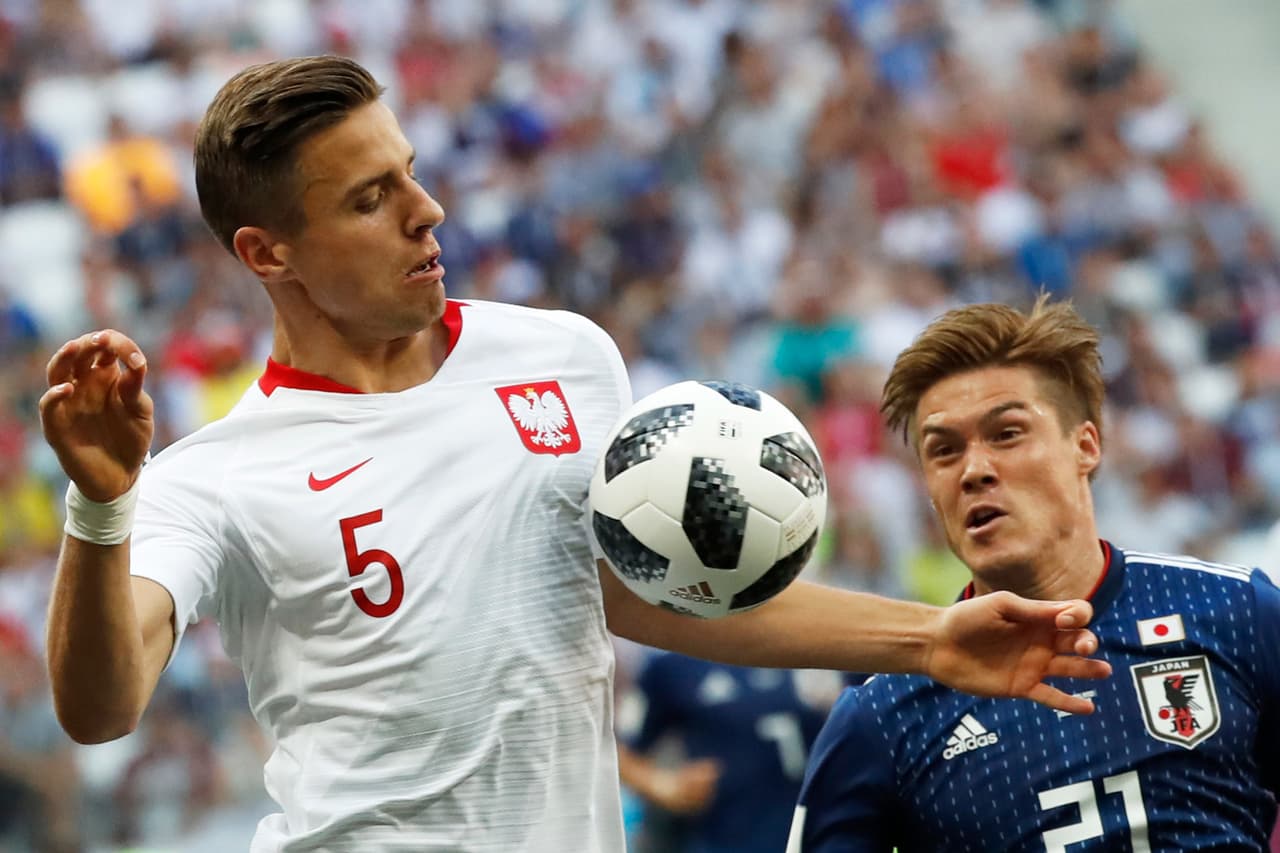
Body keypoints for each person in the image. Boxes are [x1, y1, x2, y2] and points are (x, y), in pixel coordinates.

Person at [39, 56, 1108, 852]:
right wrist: (100, 508)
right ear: (267, 253)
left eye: (409, 173)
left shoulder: (560, 357)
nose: (427, 211)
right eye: (371, 200)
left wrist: (929, 638)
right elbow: (101, 706)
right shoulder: (217, 476)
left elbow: (642, 594)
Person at [789, 297, 1280, 851]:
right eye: (944, 451)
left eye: (1007, 434)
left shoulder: (1238, 612)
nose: (974, 470)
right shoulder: (881, 717)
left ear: (1085, 446)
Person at [616, 651, 839, 853]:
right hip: (725, 836)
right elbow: (616, 748)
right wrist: (664, 785)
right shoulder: (672, 666)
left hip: (822, 833)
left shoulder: (819, 644)